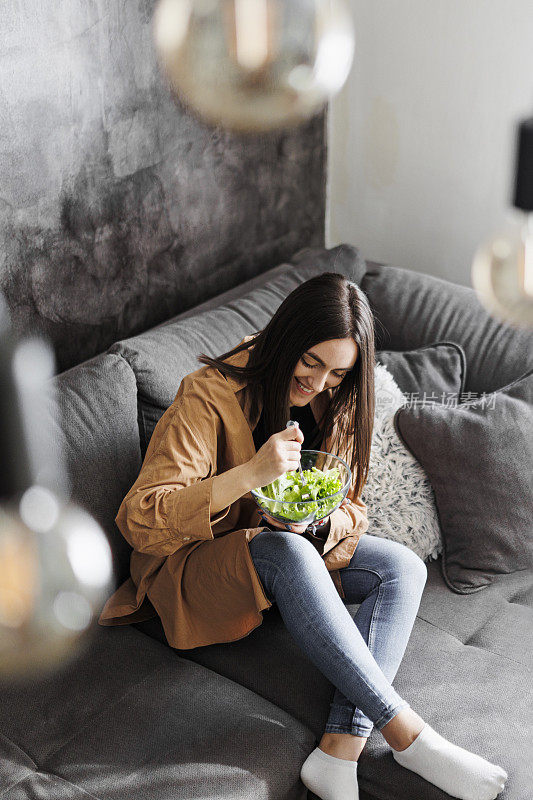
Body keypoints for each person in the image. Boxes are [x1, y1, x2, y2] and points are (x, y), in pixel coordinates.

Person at [98, 272, 508, 800]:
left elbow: (351, 506)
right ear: (284, 340)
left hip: (287, 555)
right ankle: (407, 733)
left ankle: (340, 749)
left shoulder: (337, 397)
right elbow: (140, 519)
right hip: (193, 572)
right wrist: (250, 475)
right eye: (309, 361)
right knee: (284, 548)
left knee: (403, 566)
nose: (317, 384)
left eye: (337, 372)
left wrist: (316, 520)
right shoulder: (208, 395)